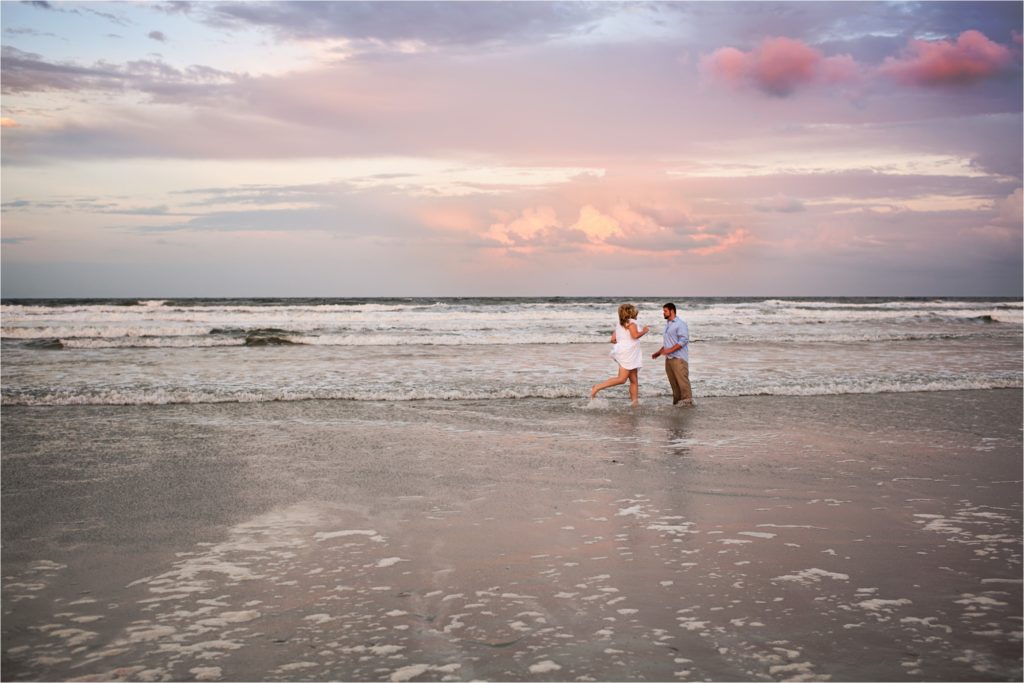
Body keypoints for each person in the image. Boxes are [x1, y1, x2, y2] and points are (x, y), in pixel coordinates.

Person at [591, 303, 649, 405]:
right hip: (629, 354)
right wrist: (644, 331)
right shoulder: (632, 323)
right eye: (635, 312)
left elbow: (613, 339)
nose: (636, 314)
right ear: (631, 313)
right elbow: (635, 335)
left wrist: (623, 340)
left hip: (627, 353)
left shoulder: (620, 324)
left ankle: (634, 403)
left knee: (634, 380)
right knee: (622, 379)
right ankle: (597, 387)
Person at [652, 302, 693, 406]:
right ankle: (677, 406)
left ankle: (688, 406)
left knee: (683, 384)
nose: (663, 313)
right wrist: (659, 352)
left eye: (665, 311)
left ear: (672, 311)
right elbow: (668, 343)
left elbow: (684, 340)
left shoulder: (680, 324)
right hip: (669, 359)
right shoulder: (668, 325)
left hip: (679, 359)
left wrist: (670, 350)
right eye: (663, 311)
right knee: (674, 386)